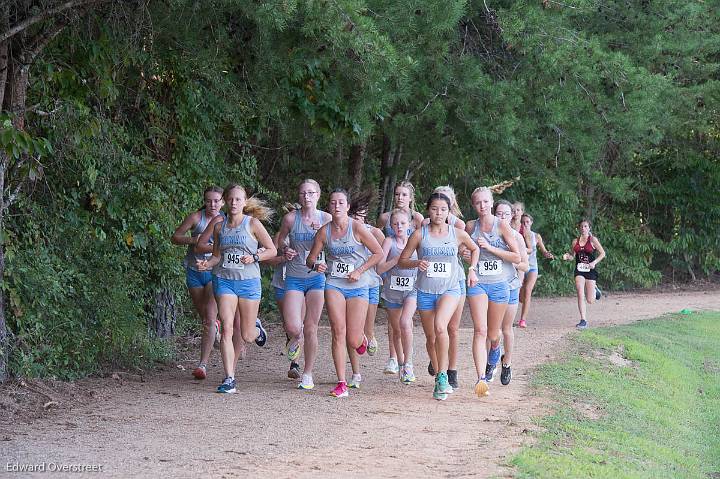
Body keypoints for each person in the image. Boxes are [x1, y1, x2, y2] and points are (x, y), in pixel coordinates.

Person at [196, 184, 277, 394]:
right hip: (224, 280)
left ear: (245, 202)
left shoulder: (253, 224)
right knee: (227, 328)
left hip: (249, 282)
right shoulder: (219, 226)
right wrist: (207, 264)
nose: (234, 203)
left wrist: (255, 257)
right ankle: (229, 377)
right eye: (230, 199)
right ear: (225, 201)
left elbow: (272, 250)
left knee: (247, 335)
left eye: (238, 199)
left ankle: (257, 329)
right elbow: (216, 256)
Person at [398, 193, 479, 401]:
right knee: (431, 337)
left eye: (443, 209)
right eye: (434, 209)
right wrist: (417, 263)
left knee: (441, 326)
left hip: (450, 289)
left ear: (449, 211)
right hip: (425, 291)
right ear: (428, 210)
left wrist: (472, 269)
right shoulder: (419, 234)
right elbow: (402, 260)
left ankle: (443, 376)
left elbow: (475, 248)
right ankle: (438, 374)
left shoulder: (457, 233)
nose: (439, 213)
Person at [306, 188, 383, 398]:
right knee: (338, 332)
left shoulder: (357, 228)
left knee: (353, 339)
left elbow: (378, 252)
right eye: (333, 203)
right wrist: (316, 266)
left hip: (358, 286)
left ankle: (362, 341)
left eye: (341, 203)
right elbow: (310, 259)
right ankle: (341, 383)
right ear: (329, 207)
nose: (336, 206)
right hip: (334, 284)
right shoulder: (324, 232)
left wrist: (359, 270)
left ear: (348, 207)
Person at [275, 181, 331, 390]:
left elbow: (338, 243)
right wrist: (286, 249)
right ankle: (296, 338)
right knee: (293, 327)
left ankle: (307, 373)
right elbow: (280, 241)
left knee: (311, 327)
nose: (307, 196)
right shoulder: (291, 218)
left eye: (311, 193)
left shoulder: (327, 219)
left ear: (318, 195)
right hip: (295, 277)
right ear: (299, 197)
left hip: (316, 278)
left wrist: (324, 234)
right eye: (303, 193)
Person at [465, 187, 520, 397]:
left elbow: (517, 258)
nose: (482, 206)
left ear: (491, 202)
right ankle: (481, 379)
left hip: (499, 284)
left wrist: (490, 247)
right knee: (479, 330)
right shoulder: (471, 226)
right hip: (478, 282)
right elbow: (467, 250)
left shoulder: (501, 226)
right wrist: (467, 254)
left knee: (493, 333)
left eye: (486, 202)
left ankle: (495, 349)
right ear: (474, 205)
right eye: (478, 203)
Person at [170, 186, 224, 380]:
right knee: (205, 318)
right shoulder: (196, 218)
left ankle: (202, 365)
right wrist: (194, 240)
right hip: (194, 271)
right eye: (209, 200)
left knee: (209, 318)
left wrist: (210, 246)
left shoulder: (227, 220)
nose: (213, 204)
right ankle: (216, 327)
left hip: (214, 272)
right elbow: (175, 237)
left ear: (223, 202)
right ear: (204, 200)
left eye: (217, 201)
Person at [479, 200, 528, 385]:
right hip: (489, 286)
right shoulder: (487, 234)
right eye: (499, 214)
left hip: (510, 286)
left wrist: (510, 261)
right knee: (488, 329)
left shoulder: (517, 237)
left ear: (512, 216)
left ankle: (506, 363)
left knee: (506, 328)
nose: (502, 217)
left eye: (506, 214)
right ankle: (489, 364)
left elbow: (524, 264)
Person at [377, 180, 423, 373]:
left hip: (411, 276)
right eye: (397, 194)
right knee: (394, 323)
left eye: (404, 194)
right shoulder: (385, 218)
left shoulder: (417, 219)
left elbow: (424, 244)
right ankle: (393, 358)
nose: (400, 198)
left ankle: (407, 362)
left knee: (405, 322)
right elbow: (375, 240)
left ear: (411, 197)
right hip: (391, 277)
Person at [422, 186, 466, 389]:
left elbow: (465, 248)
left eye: (445, 203)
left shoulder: (459, 225)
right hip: (429, 284)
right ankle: (438, 359)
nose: (439, 211)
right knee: (435, 333)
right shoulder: (424, 226)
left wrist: (469, 259)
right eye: (435, 207)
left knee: (451, 328)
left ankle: (451, 371)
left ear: (451, 204)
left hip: (454, 281)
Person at [347, 192, 385, 387]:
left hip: (371, 284)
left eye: (360, 216)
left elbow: (382, 255)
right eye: (354, 215)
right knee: (352, 329)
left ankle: (369, 336)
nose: (357, 220)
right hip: (351, 285)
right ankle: (356, 373)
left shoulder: (374, 232)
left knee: (367, 329)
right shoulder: (344, 230)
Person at [561, 219, 606, 329]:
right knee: (580, 292)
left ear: (589, 228)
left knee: (590, 300)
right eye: (581, 226)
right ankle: (583, 320)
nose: (583, 228)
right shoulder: (574, 241)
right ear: (579, 228)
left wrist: (594, 262)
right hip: (579, 270)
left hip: (590, 270)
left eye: (585, 226)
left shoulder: (593, 240)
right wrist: (567, 257)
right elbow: (573, 256)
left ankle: (595, 290)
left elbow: (603, 253)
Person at [517, 213, 554, 328]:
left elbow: (543, 250)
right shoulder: (517, 235)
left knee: (528, 290)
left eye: (527, 222)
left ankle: (522, 320)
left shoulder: (536, 236)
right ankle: (524, 300)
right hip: (520, 266)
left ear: (531, 222)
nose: (525, 224)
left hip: (532, 267)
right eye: (523, 222)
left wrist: (547, 254)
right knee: (520, 295)